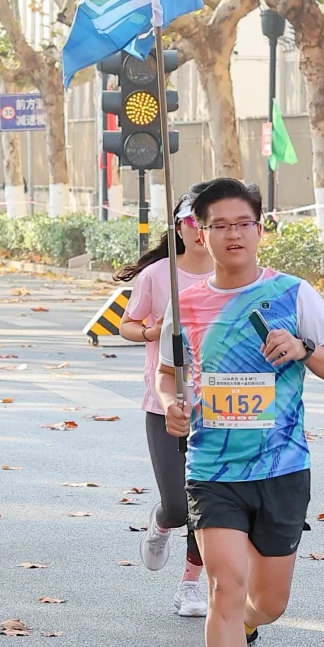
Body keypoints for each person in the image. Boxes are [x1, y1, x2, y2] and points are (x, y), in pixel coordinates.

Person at [158, 178, 324, 647]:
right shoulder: (185, 301)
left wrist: (302, 350)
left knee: (266, 601)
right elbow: (172, 376)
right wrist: (172, 403)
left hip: (282, 466)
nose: (233, 234)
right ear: (201, 232)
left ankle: (249, 630)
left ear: (260, 229)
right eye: (220, 225)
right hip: (212, 466)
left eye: (244, 223)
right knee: (225, 587)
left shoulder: (294, 295)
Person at [118, 187, 212, 617]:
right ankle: (161, 522)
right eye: (190, 222)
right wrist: (151, 333)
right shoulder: (158, 275)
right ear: (178, 228)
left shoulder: (234, 276)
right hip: (166, 403)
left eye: (205, 221)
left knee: (204, 502)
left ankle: (191, 584)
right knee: (178, 505)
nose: (198, 231)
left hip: (219, 409)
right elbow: (128, 326)